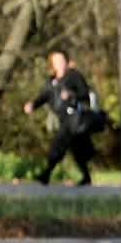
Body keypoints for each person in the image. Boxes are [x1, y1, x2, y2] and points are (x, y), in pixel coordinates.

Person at [23, 48, 99, 186]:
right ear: (52, 64)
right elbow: (44, 96)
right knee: (77, 148)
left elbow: (85, 94)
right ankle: (86, 177)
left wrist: (71, 95)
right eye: (56, 61)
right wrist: (33, 105)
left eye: (61, 60)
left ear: (66, 61)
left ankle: (46, 173)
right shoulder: (51, 81)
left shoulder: (74, 76)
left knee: (58, 143)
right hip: (63, 119)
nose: (59, 63)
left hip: (75, 117)